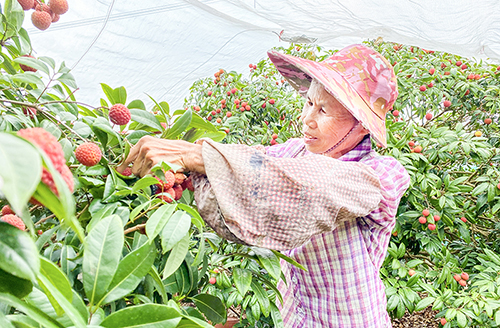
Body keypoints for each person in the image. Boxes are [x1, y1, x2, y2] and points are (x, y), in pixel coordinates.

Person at [118, 44, 410, 328]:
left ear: (360, 126)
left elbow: (317, 184)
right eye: (309, 102)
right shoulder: (295, 152)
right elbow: (252, 167)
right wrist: (186, 168)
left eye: (323, 111)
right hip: (296, 317)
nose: (306, 119)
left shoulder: (381, 176)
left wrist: (197, 156)